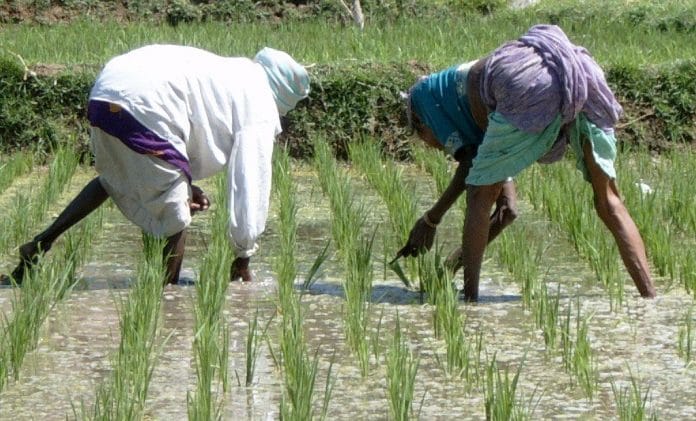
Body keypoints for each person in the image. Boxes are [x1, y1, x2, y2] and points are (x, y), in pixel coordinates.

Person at [1, 44, 310, 286]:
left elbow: (190, 118)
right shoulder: (259, 101)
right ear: (283, 99)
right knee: (177, 216)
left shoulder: (232, 74)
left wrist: (184, 182)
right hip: (146, 103)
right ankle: (165, 297)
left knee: (114, 178)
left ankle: (40, 244)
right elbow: (250, 183)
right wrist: (243, 254)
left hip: (106, 92)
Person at [397, 24, 656, 301]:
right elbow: (506, 207)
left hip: (526, 82)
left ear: (420, 126)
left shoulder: (423, 98)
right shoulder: (478, 119)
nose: (434, 147)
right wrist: (447, 269)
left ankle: (469, 302)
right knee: (608, 201)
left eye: (424, 141)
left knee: (479, 194)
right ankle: (650, 298)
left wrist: (431, 219)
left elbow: (470, 165)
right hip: (582, 75)